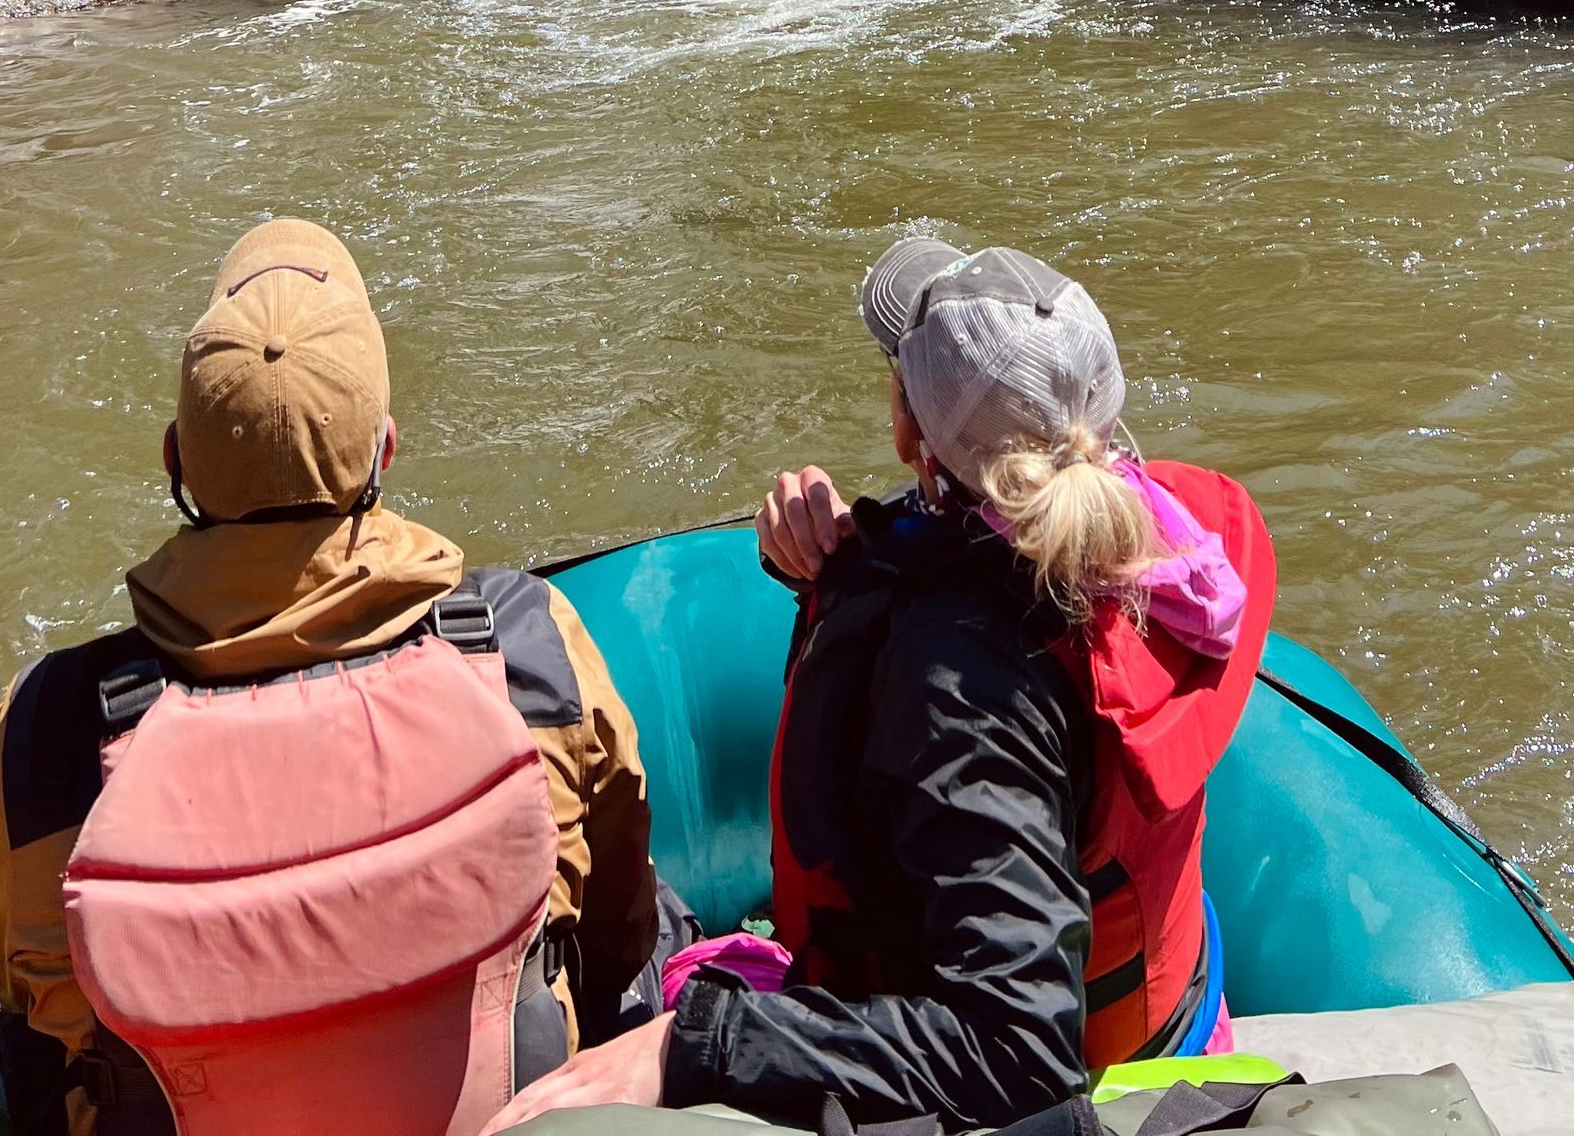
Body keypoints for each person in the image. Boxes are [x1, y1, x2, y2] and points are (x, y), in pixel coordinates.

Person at [485, 236, 1272, 1133]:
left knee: (667, 960)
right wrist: (839, 571)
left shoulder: (963, 683)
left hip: (1043, 1084)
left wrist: (694, 1044)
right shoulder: (1155, 542)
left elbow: (1017, 1048)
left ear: (910, 432)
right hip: (1171, 1029)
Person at [0, 218, 659, 1135]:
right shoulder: (527, 646)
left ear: (176, 460)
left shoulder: (46, 726)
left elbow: (3, 958)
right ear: (386, 451)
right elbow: (617, 932)